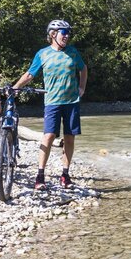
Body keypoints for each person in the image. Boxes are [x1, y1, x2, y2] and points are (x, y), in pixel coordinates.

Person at [13, 19, 87, 190]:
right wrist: (16, 87)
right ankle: (40, 176)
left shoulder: (73, 53)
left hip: (72, 102)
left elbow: (83, 69)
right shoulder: (42, 54)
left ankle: (65, 175)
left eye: (68, 33)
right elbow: (30, 74)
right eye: (63, 32)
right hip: (52, 102)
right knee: (49, 136)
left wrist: (82, 88)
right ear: (53, 34)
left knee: (69, 137)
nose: (67, 36)